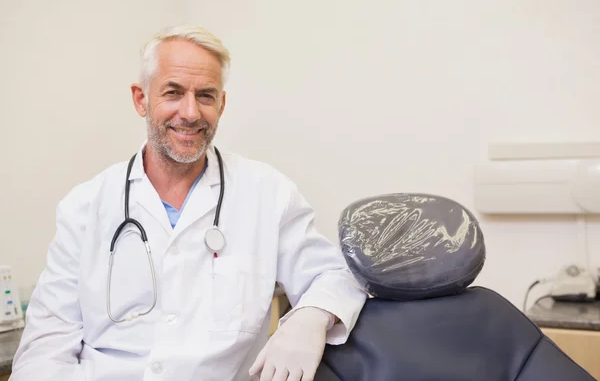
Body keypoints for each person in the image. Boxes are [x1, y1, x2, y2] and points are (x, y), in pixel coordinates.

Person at [10, 25, 367, 381]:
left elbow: (337, 274)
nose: (191, 112)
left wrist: (309, 319)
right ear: (140, 99)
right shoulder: (85, 207)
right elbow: (47, 348)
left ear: (222, 104)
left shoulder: (267, 193)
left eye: (206, 95)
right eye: (173, 92)